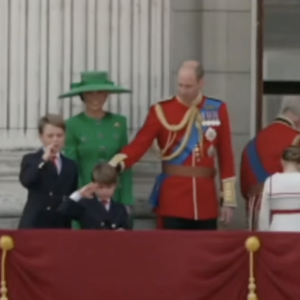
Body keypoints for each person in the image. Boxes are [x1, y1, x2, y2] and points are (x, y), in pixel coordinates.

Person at [109, 62, 236, 230]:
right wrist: (116, 164)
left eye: (188, 86)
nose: (183, 91)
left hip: (206, 202)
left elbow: (226, 157)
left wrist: (228, 200)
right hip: (173, 200)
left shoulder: (216, 108)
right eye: (180, 85)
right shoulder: (162, 110)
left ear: (201, 83)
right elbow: (140, 144)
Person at [59, 71, 134, 229]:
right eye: (89, 93)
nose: (95, 97)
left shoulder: (119, 122)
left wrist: (127, 199)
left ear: (107, 94)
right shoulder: (73, 124)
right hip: (88, 194)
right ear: (82, 96)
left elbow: (126, 163)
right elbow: (71, 166)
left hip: (114, 195)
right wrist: (79, 196)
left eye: (100, 92)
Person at [240, 96, 300, 230]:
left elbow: (244, 189)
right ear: (297, 119)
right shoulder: (296, 140)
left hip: (255, 210)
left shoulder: (251, 144)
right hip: (288, 211)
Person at [18, 114, 78, 229]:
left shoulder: (71, 165)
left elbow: (71, 194)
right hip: (35, 223)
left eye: (59, 135)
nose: (55, 140)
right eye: (50, 136)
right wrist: (43, 159)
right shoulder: (31, 159)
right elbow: (27, 180)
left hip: (60, 224)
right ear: (41, 137)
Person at [35, 163, 130, 230]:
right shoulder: (85, 204)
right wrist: (79, 194)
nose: (105, 191)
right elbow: (60, 215)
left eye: (109, 187)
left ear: (115, 186)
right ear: (93, 184)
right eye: (100, 187)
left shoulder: (120, 209)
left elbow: (128, 231)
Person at [258, 146, 300, 232]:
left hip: (277, 231)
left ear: (282, 161)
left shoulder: (271, 181)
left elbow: (263, 216)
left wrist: (264, 235)